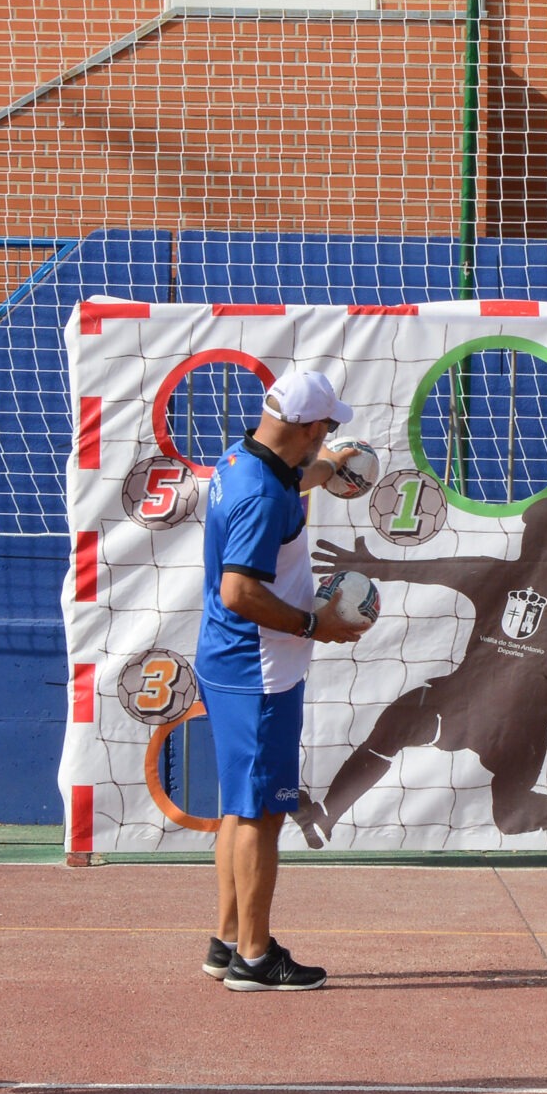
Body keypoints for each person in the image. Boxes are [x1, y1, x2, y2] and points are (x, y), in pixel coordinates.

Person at [303, 497, 547, 846]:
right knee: (397, 723)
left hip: (520, 724)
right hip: (466, 705)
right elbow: (428, 570)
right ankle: (327, 816)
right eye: (532, 529)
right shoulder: (493, 572)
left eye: (540, 530)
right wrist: (371, 566)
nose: (532, 536)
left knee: (510, 817)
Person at [196, 369, 370, 991]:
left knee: (239, 809)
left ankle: (226, 943)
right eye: (326, 428)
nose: (327, 435)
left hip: (230, 663)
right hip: (260, 673)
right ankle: (255, 956)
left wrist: (330, 469)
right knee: (263, 816)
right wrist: (315, 624)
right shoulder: (263, 497)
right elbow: (239, 592)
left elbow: (295, 476)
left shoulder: (244, 459)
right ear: (310, 426)